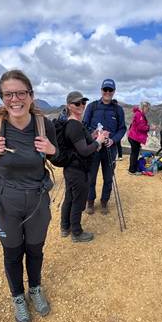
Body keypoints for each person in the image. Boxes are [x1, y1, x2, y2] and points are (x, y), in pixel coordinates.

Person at [0, 70, 58, 322]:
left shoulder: (45, 125)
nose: (15, 99)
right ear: (2, 98)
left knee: (35, 249)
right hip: (6, 201)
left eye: (21, 93)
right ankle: (18, 297)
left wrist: (53, 150)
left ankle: (34, 288)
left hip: (36, 200)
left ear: (31, 96)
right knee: (12, 252)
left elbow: (59, 158)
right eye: (8, 94)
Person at [60, 91, 107, 242]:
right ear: (69, 106)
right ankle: (77, 233)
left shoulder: (73, 124)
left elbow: (79, 144)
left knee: (69, 197)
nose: (81, 105)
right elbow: (84, 151)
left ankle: (65, 227)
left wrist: (92, 136)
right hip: (78, 170)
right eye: (77, 103)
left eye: (83, 103)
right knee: (78, 201)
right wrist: (99, 141)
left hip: (71, 168)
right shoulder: (74, 125)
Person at [83, 78, 127, 215]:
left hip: (110, 149)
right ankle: (90, 201)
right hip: (94, 147)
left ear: (114, 91)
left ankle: (104, 202)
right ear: (101, 90)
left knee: (108, 177)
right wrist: (93, 134)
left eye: (110, 90)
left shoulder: (118, 110)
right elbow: (84, 126)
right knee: (91, 176)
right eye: (105, 89)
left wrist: (113, 140)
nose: (107, 92)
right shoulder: (92, 106)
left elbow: (122, 129)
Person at [127, 102, 150, 175]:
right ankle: (132, 170)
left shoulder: (139, 114)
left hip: (134, 136)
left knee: (134, 153)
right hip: (134, 137)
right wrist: (149, 127)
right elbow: (141, 127)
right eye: (147, 108)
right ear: (144, 107)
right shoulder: (139, 114)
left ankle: (132, 168)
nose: (148, 110)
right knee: (134, 154)